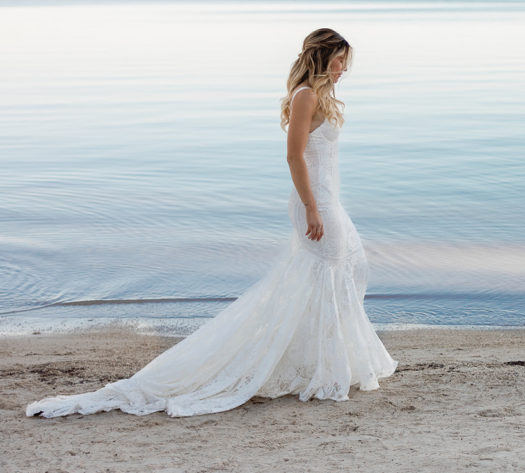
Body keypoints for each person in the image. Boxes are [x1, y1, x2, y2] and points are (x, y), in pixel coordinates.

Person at [26, 28, 398, 417]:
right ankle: (321, 367)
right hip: (316, 201)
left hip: (326, 199)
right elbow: (295, 157)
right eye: (339, 61)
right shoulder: (306, 95)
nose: (343, 69)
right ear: (323, 58)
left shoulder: (320, 97)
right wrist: (311, 208)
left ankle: (323, 362)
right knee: (324, 277)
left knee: (337, 274)